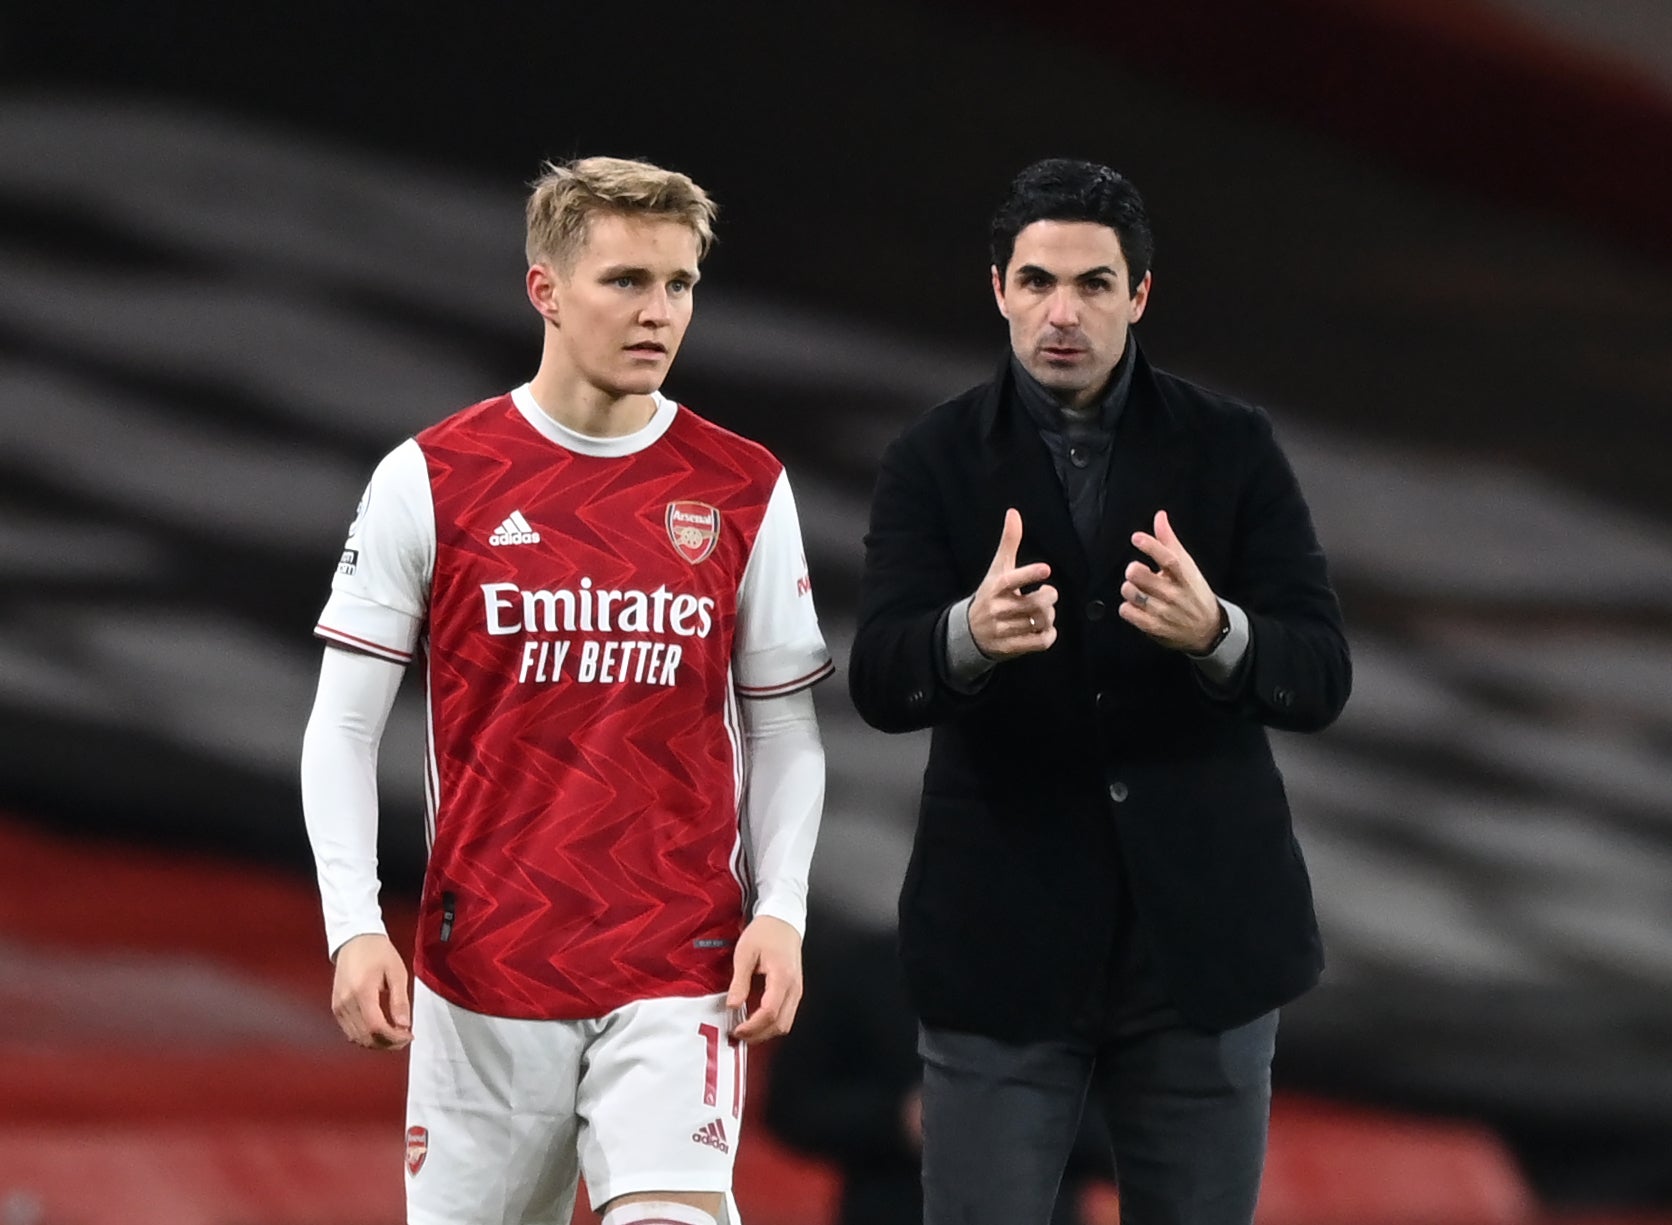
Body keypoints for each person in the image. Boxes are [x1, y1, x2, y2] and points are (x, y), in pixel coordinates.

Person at [299, 156, 832, 1225]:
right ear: (545, 289)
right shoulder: (433, 477)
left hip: (677, 956)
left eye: (680, 284)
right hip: (486, 968)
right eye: (626, 280)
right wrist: (351, 924)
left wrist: (781, 910)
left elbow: (783, 723)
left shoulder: (740, 487)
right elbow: (344, 727)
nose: (659, 312)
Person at [847, 158, 1352, 1225]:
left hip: (1199, 949)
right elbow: (881, 678)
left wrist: (1219, 635)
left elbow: (1318, 672)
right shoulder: (931, 458)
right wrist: (965, 638)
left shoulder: (1232, 446)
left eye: (1089, 283)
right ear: (997, 289)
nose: (1059, 313)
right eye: (1035, 282)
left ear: (1139, 294)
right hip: (1002, 948)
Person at [763, 914, 1113, 1225]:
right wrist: (899, 1118)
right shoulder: (866, 968)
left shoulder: (1085, 991)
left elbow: (1137, 1135)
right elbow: (790, 1107)